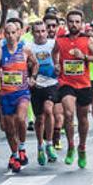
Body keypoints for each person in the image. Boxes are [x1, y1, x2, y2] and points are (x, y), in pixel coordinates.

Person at [52, 10, 93, 168]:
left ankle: (82, 147)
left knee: (82, 118)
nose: (74, 24)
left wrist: (84, 57)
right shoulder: (60, 40)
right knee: (68, 113)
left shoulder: (87, 40)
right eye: (71, 22)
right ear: (67, 23)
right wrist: (56, 64)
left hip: (84, 85)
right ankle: (71, 146)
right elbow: (54, 53)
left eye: (77, 22)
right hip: (67, 83)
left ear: (81, 23)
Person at [0, 22, 38, 172]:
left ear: (19, 33)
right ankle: (15, 154)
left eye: (13, 33)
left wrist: (32, 77)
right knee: (9, 129)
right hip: (5, 94)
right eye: (7, 33)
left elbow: (35, 64)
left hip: (22, 92)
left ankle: (22, 147)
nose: (10, 36)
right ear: (4, 34)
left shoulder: (25, 50)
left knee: (20, 119)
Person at [29, 20, 59, 164]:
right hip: (36, 85)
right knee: (39, 119)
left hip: (52, 83)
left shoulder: (53, 44)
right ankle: (40, 146)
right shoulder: (29, 47)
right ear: (32, 33)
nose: (40, 34)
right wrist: (30, 78)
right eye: (37, 31)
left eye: (43, 31)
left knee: (49, 109)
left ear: (47, 32)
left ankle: (49, 144)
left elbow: (61, 59)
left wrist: (59, 69)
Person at [44, 13, 66, 149]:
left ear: (58, 27)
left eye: (54, 26)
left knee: (58, 115)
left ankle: (56, 138)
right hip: (44, 84)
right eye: (48, 26)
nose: (51, 28)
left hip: (60, 82)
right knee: (47, 113)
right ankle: (47, 139)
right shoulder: (37, 43)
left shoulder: (64, 41)